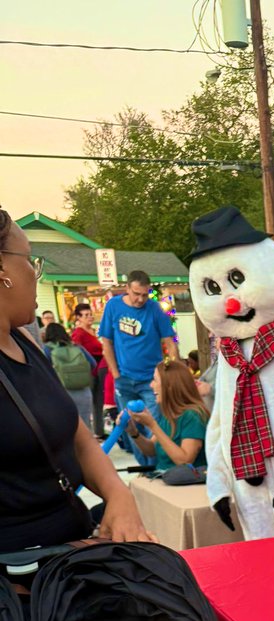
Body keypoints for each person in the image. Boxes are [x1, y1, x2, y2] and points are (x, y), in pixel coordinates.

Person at [0, 207, 152, 551]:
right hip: (26, 584)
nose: (34, 273)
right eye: (29, 260)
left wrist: (118, 494)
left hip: (73, 546)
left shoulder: (24, 339)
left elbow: (77, 435)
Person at [98, 269, 177, 467]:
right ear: (127, 289)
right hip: (124, 378)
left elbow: (170, 341)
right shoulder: (113, 306)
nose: (140, 299)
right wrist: (116, 374)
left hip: (151, 381)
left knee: (154, 425)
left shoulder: (155, 309)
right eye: (136, 294)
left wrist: (170, 372)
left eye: (145, 294)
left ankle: (156, 468)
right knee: (130, 426)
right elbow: (106, 342)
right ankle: (144, 468)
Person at [125, 358, 209, 472]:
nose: (151, 385)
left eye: (154, 380)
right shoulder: (170, 414)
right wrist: (133, 432)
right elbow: (151, 450)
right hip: (167, 479)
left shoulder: (193, 416)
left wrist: (152, 425)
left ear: (170, 386)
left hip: (187, 484)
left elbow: (184, 461)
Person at [41, 321, 96, 432]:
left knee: (66, 428)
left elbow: (43, 371)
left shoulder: (47, 350)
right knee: (85, 427)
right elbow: (93, 363)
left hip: (61, 392)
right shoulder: (77, 347)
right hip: (83, 392)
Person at [71, 302, 106, 434]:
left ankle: (99, 430)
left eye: (90, 314)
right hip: (88, 370)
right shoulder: (78, 333)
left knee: (98, 401)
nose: (90, 317)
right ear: (78, 318)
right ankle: (88, 432)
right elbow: (76, 351)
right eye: (86, 315)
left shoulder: (92, 331)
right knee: (89, 402)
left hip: (98, 369)